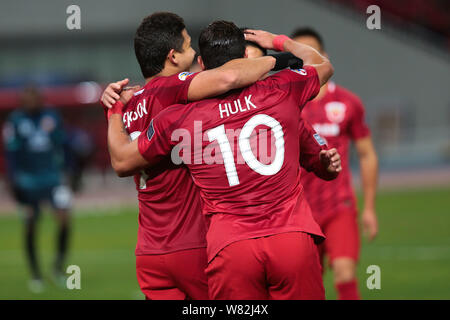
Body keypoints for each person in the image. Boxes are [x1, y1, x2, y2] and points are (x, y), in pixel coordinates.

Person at [106, 21, 340, 299]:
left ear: (202, 64)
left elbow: (121, 161)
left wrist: (114, 109)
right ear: (244, 60)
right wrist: (277, 44)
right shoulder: (281, 90)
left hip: (210, 247)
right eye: (187, 45)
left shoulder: (175, 117)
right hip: (278, 237)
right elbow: (321, 65)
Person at [292, 27, 379, 300]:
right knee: (308, 284)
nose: (304, 61)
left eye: (310, 53)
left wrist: (370, 208)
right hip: (300, 212)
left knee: (344, 272)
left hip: (338, 205)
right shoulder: (286, 103)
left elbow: (366, 154)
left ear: (324, 56)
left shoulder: (348, 102)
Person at [2, 86, 72, 293]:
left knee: (64, 220)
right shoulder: (15, 121)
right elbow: (11, 154)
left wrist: (69, 171)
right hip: (28, 181)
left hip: (54, 178)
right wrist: (12, 181)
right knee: (31, 223)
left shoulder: (52, 116)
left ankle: (58, 269)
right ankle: (35, 274)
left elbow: (64, 144)